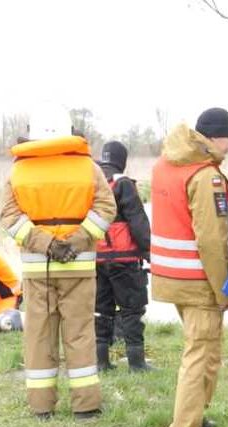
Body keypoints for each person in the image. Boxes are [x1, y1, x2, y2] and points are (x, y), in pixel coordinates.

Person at [0, 105, 116, 420]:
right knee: (80, 334)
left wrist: (46, 244)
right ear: (69, 131)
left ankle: (41, 406)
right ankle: (86, 405)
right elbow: (106, 208)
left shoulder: (18, 171)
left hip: (37, 269)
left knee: (38, 336)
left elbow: (8, 216)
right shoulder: (88, 167)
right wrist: (76, 241)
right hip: (79, 266)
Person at [151, 108, 228, 427]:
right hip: (198, 280)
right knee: (200, 356)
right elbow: (212, 241)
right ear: (213, 138)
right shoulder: (205, 176)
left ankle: (195, 419)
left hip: (169, 276)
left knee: (204, 352)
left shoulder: (164, 165)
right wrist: (225, 290)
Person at [95, 140, 152, 371]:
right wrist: (149, 252)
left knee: (101, 310)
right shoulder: (123, 184)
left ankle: (101, 361)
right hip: (124, 259)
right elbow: (138, 222)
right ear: (123, 161)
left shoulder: (92, 181)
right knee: (131, 310)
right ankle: (137, 363)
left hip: (96, 258)